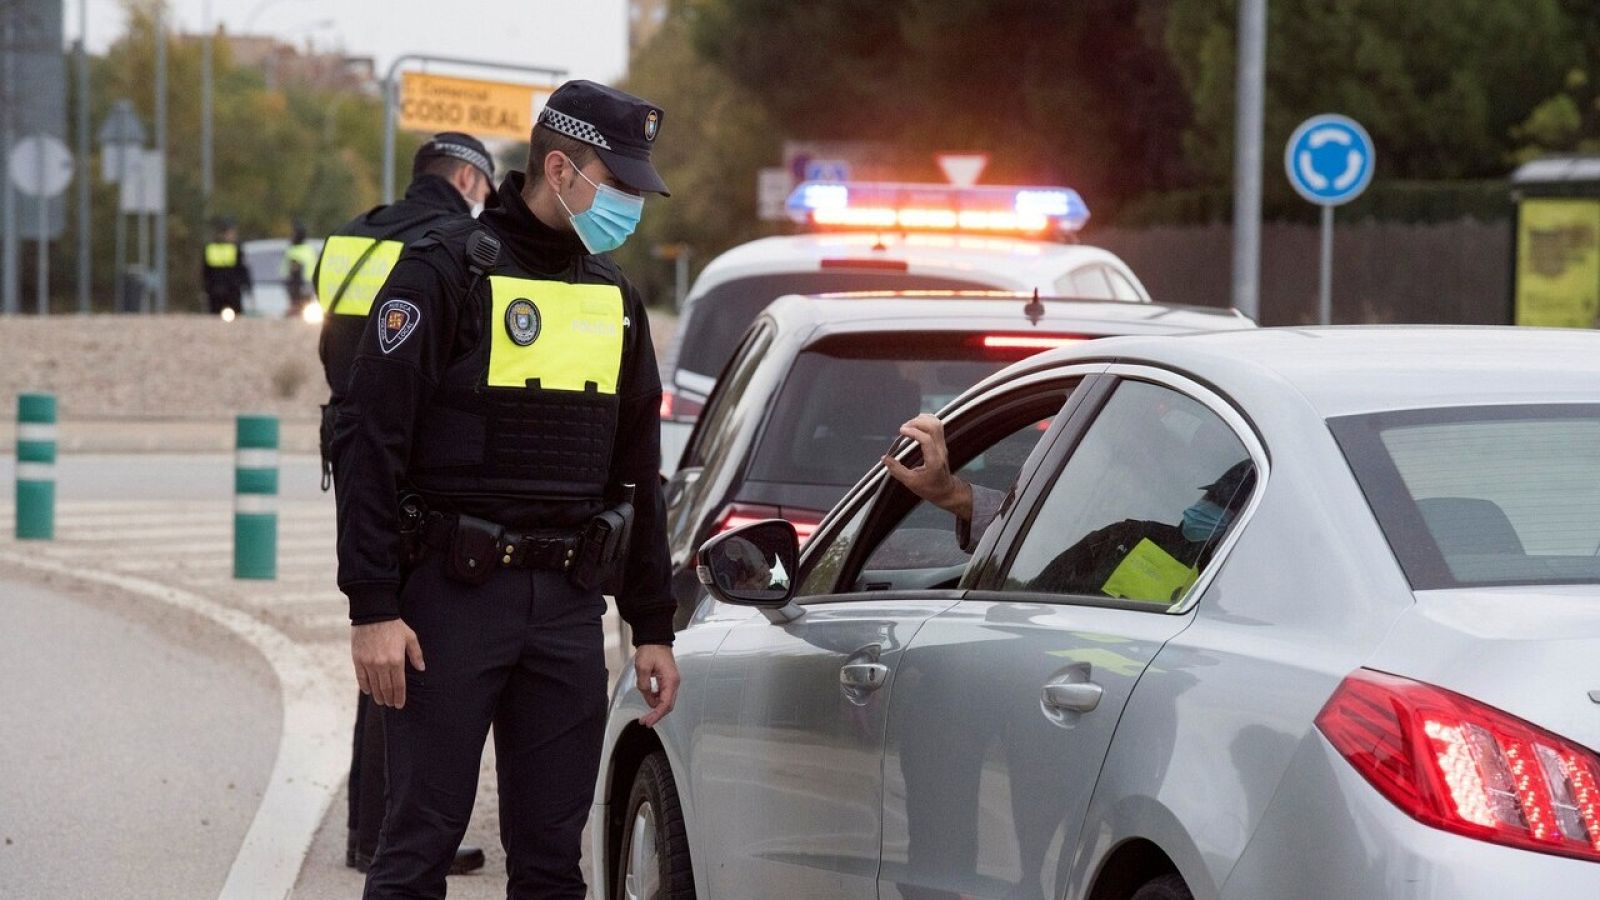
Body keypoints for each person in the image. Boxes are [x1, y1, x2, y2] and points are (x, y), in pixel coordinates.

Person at [332, 80, 681, 900]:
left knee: (554, 865)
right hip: (448, 602)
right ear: (559, 167)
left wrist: (652, 624)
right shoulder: (441, 274)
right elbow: (370, 444)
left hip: (565, 608)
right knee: (417, 848)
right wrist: (372, 606)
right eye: (618, 183)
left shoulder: (613, 298)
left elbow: (638, 470)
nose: (629, 202)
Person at [315, 132, 496, 876]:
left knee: (383, 635)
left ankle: (371, 829)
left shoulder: (349, 239)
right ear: (465, 178)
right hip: (423, 465)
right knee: (411, 647)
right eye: (482, 185)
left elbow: (331, 346)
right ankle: (402, 834)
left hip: (352, 447)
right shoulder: (456, 243)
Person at [884, 413, 1255, 603]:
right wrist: (953, 496)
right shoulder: (1127, 541)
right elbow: (1039, 542)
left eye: (1221, 503)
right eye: (1207, 496)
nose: (1198, 508)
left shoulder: (1249, 588)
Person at [201, 220, 251, 317]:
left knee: (216, 318)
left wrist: (205, 288)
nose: (234, 235)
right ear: (225, 233)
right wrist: (246, 284)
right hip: (227, 291)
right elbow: (242, 269)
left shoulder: (210, 248)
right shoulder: (235, 248)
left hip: (218, 291)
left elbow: (205, 271)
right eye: (232, 232)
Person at [283, 221, 318, 316]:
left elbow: (294, 270)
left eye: (293, 233)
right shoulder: (308, 249)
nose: (291, 236)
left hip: (301, 285)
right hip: (304, 286)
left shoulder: (294, 250)